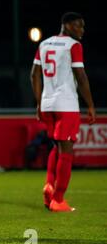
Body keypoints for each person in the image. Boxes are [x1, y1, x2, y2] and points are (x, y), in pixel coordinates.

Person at [30, 12, 96, 212]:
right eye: (78, 26)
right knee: (67, 151)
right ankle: (58, 199)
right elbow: (81, 76)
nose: (81, 30)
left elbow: (34, 75)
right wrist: (91, 105)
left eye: (83, 26)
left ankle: (49, 186)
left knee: (57, 147)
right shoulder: (73, 46)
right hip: (66, 104)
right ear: (66, 25)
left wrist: (39, 102)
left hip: (48, 104)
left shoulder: (44, 44)